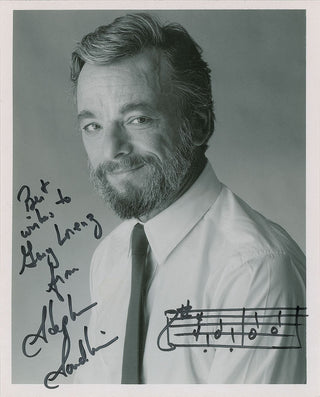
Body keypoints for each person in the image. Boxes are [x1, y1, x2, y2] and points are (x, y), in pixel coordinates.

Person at [71, 13, 306, 384]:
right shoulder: (111, 256)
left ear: (198, 124)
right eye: (93, 126)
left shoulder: (256, 272)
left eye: (137, 119)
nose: (111, 149)